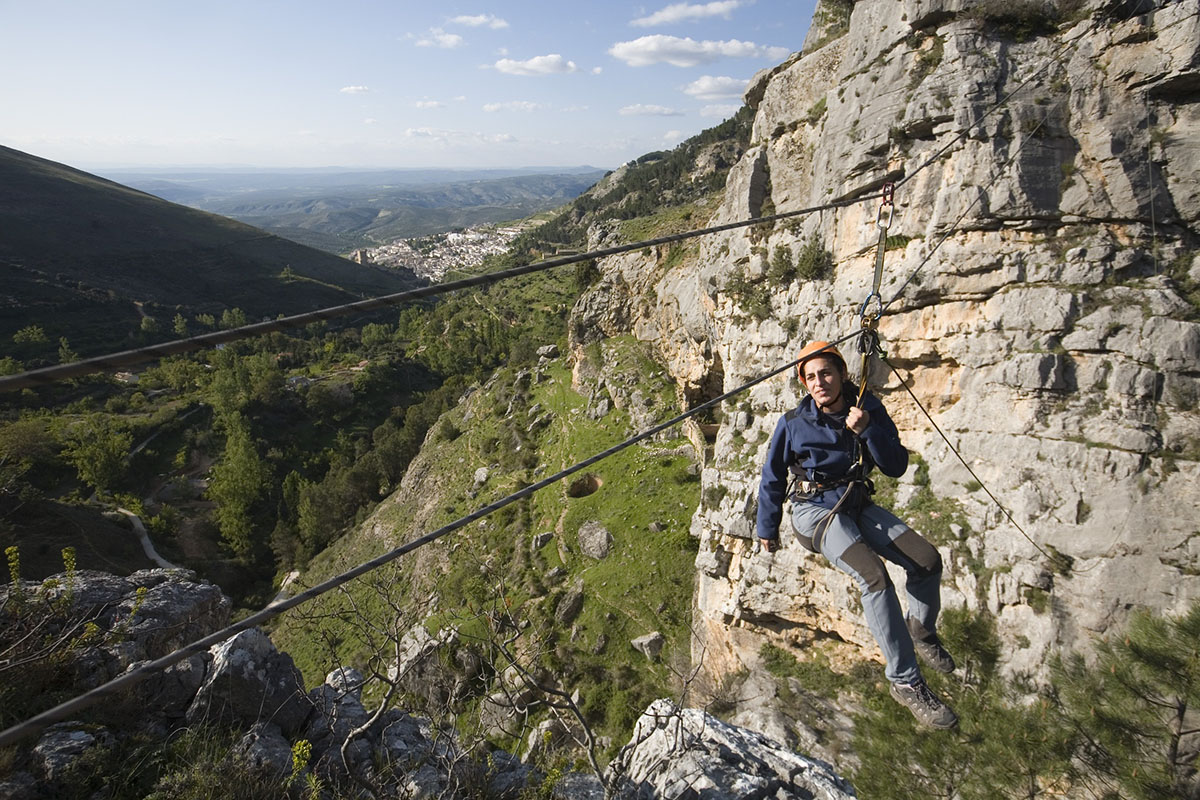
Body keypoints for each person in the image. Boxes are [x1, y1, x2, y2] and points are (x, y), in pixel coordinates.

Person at [756, 340, 958, 729]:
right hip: (813, 512)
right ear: (804, 383)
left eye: (826, 373)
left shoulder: (868, 407)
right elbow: (772, 477)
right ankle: (906, 682)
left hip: (855, 503)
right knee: (874, 577)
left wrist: (867, 430)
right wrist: (767, 527)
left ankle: (922, 630)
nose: (819, 382)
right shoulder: (793, 423)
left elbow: (896, 464)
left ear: (842, 373)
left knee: (927, 560)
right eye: (810, 377)